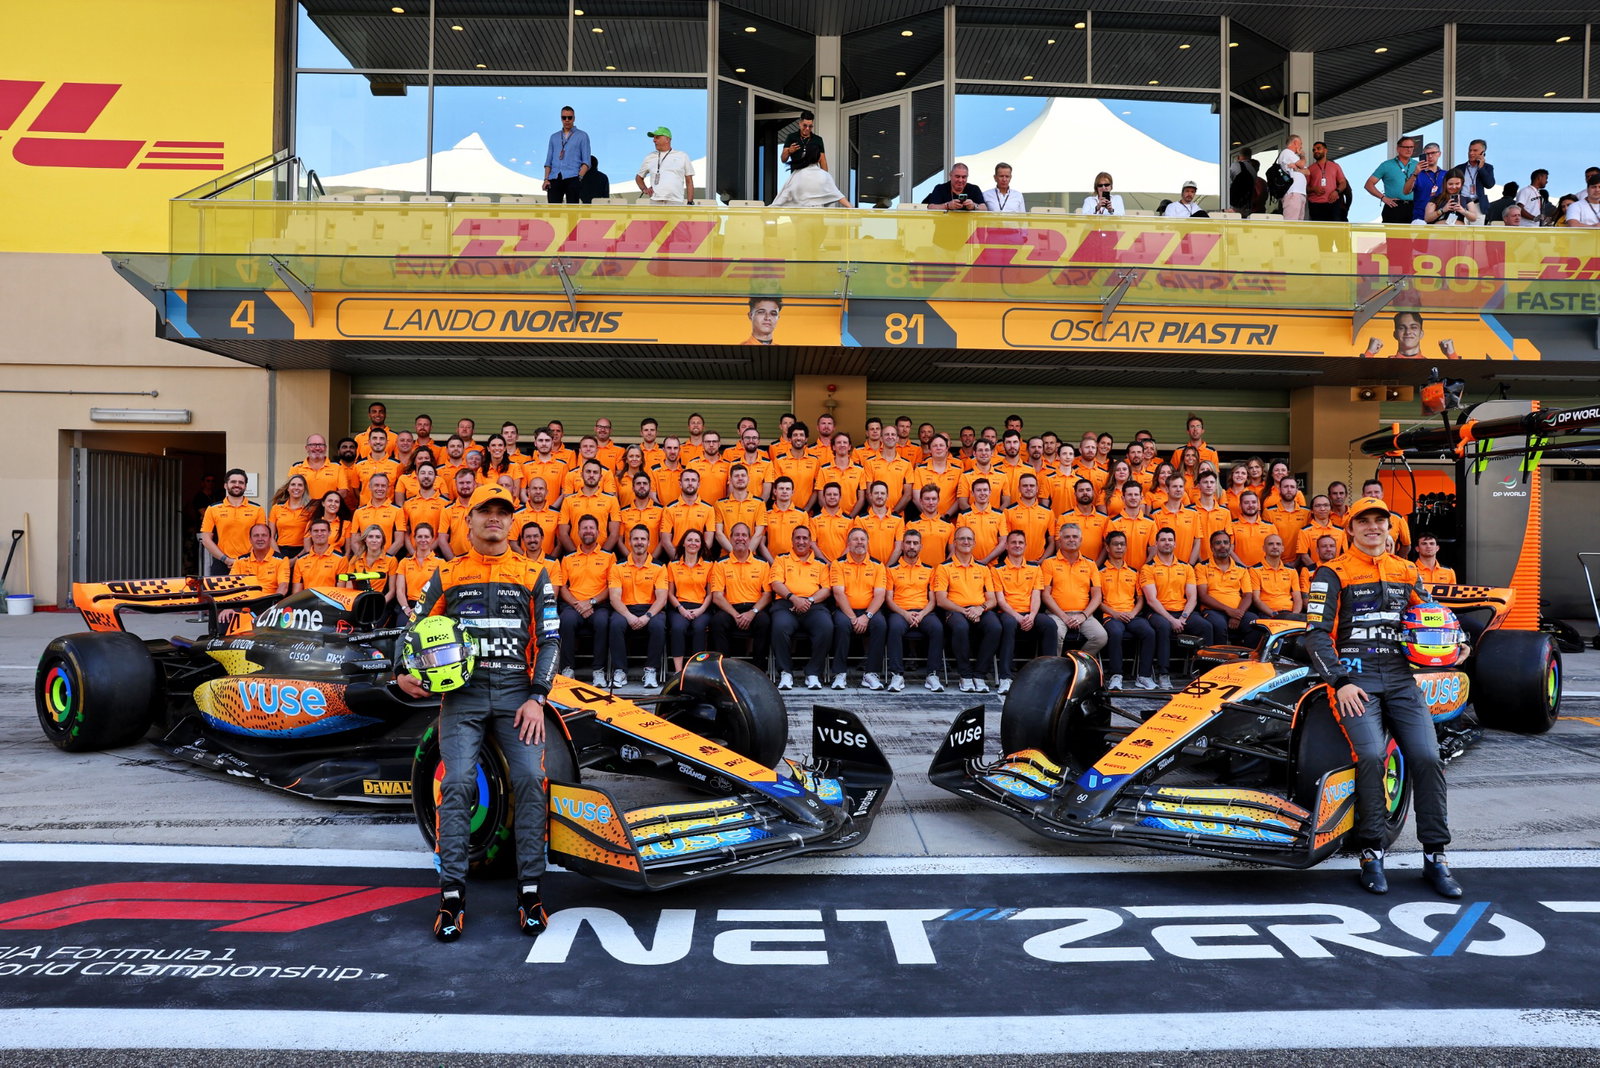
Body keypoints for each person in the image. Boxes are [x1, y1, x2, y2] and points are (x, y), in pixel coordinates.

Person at [399, 484, 560, 942]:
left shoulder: (535, 574)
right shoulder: (447, 575)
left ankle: (530, 892)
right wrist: (402, 672)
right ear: (467, 521)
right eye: (484, 511)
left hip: (517, 695)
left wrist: (538, 696)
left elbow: (550, 640)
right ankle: (452, 896)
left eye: (502, 512)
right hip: (463, 695)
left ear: (513, 523)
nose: (494, 518)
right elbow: (413, 632)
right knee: (455, 783)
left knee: (531, 779)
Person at [1301, 496, 1460, 898]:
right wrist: (1339, 682)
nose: (1373, 527)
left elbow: (1432, 619)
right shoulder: (1331, 572)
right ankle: (1371, 851)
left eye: (1380, 521)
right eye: (1364, 521)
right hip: (1355, 681)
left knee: (1427, 756)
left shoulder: (1407, 570)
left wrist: (1457, 645)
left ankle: (1436, 857)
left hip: (1403, 680)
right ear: (1350, 529)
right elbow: (1316, 634)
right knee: (1371, 756)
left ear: (1390, 528)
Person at [1139, 526, 1211, 688]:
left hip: (1182, 612)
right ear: (1156, 543)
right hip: (1158, 612)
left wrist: (1183, 617)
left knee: (1205, 626)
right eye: (1163, 540)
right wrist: (1172, 620)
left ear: (1175, 544)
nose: (1167, 543)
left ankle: (1206, 672)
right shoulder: (1148, 568)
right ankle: (1164, 674)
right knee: (1164, 627)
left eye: (1170, 540)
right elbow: (1151, 600)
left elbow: (1192, 597)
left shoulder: (1185, 567)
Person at [934, 525, 1001, 693]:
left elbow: (992, 599)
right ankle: (965, 675)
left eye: (969, 539)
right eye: (962, 538)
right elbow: (941, 600)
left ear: (974, 543)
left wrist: (979, 609)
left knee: (995, 627)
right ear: (954, 542)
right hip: (956, 610)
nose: (965, 541)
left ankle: (979, 675)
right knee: (961, 627)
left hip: (980, 610)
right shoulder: (944, 568)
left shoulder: (984, 568)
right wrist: (966, 612)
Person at [769, 525, 833, 690]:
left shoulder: (820, 563)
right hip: (786, 604)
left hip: (814, 605)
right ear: (792, 541)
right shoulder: (781, 559)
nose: (801, 541)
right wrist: (794, 598)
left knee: (826, 627)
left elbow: (826, 589)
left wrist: (809, 601)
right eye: (797, 538)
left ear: (810, 542)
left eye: (805, 538)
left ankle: (813, 673)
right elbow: (776, 583)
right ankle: (786, 673)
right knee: (779, 627)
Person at [558, 514, 616, 687]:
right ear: (578, 531)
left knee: (602, 622)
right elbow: (562, 587)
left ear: (598, 532)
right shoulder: (568, 558)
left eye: (591, 528)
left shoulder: (608, 557)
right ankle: (567, 669)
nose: (588, 531)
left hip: (598, 605)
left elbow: (611, 587)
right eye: (584, 528)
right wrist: (578, 604)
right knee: (566, 620)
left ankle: (598, 671)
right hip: (573, 605)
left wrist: (590, 602)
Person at [607, 524, 668, 690]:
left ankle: (651, 670)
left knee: (657, 625)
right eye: (635, 539)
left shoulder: (659, 567)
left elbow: (662, 599)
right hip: (625, 610)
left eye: (643, 539)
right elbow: (614, 598)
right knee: (615, 623)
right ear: (629, 542)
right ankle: (620, 671)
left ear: (649, 542)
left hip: (650, 610)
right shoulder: (617, 567)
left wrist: (647, 616)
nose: (639, 542)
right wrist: (629, 616)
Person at [991, 530, 1052, 694]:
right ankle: (1005, 677)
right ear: (1006, 546)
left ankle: (1050, 677)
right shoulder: (997, 569)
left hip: (1029, 612)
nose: (1017, 545)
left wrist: (1031, 616)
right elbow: (1000, 600)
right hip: (1008, 613)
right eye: (1013, 542)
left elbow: (1036, 596)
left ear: (1025, 546)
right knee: (1009, 625)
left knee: (1050, 625)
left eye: (1020, 542)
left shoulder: (1034, 568)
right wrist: (1018, 617)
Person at [885, 528, 945, 692]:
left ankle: (932, 675)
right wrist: (905, 614)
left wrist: (921, 614)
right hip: (900, 611)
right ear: (902, 546)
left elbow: (933, 600)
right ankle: (897, 675)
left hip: (924, 611)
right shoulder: (891, 570)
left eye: (915, 543)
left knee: (937, 628)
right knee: (895, 628)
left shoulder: (929, 570)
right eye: (908, 543)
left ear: (921, 546)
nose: (912, 546)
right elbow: (888, 599)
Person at [830, 528, 888, 690]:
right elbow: (838, 593)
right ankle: (839, 674)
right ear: (848, 544)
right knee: (841, 625)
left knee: (880, 625)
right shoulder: (838, 563)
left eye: (862, 539)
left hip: (869, 611)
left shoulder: (877, 565)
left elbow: (880, 595)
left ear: (868, 543)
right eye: (855, 539)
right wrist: (852, 618)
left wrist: (867, 616)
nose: (859, 542)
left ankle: (871, 674)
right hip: (845, 610)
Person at [709, 522, 773, 664]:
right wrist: (736, 615)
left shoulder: (762, 564)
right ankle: (724, 667)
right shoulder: (720, 564)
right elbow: (717, 597)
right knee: (717, 621)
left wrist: (752, 612)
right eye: (736, 535)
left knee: (764, 621)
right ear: (730, 539)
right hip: (730, 609)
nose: (740, 538)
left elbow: (767, 595)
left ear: (750, 540)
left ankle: (759, 669)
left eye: (744, 535)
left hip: (755, 609)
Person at [1041, 521, 1107, 658]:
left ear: (1081, 540)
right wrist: (1064, 617)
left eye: (1075, 537)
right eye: (1067, 537)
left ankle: (1076, 663)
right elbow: (1045, 595)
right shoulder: (1049, 563)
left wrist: (1083, 616)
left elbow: (1097, 596)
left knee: (1101, 636)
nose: (1071, 540)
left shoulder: (1090, 564)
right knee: (1056, 634)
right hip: (1056, 614)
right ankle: (1056, 670)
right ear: (1060, 540)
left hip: (1084, 614)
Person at [1098, 530, 1154, 690]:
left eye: (1122, 544)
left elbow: (1141, 599)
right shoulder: (1100, 572)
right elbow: (1097, 600)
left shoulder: (1134, 572)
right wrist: (1114, 613)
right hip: (1111, 615)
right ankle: (1117, 676)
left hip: (1131, 614)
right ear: (1107, 548)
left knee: (1149, 632)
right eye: (1115, 544)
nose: (1119, 547)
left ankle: (1143, 676)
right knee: (1115, 633)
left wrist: (1133, 613)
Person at [770, 112, 851, 208]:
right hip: (798, 176)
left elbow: (822, 160)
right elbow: (783, 159)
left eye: (810, 126)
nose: (807, 129)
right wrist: (789, 151)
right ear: (799, 124)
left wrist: (824, 179)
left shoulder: (817, 139)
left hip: (811, 177)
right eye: (805, 126)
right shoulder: (791, 137)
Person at [200, 469, 269, 577]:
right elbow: (205, 538)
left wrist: (244, 560)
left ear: (245, 486)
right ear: (225, 485)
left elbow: (262, 538)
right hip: (222, 562)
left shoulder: (257, 509)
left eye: (241, 482)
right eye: (233, 482)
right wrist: (226, 559)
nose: (237, 485)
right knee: (220, 594)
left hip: (250, 563)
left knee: (251, 594)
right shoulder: (213, 509)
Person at [665, 528, 714, 673]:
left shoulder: (709, 566)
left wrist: (700, 610)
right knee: (678, 628)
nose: (693, 543)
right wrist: (681, 609)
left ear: (701, 545)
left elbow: (711, 594)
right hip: (679, 607)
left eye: (697, 540)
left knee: (699, 628)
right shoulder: (672, 565)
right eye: (690, 540)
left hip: (701, 607)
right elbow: (669, 593)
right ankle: (679, 672)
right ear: (683, 544)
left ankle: (697, 670)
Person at [1195, 530, 1256, 643]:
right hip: (1213, 610)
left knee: (1254, 622)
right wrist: (1229, 610)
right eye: (1218, 543)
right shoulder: (1201, 567)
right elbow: (1203, 596)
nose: (1222, 545)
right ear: (1211, 547)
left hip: (1238, 611)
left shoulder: (1241, 569)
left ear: (1230, 546)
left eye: (1225, 542)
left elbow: (1248, 595)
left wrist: (1237, 614)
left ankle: (1248, 659)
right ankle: (1220, 659)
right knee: (1219, 625)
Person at [542, 105, 591, 205]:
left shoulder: (582, 136)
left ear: (574, 118)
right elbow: (548, 161)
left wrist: (579, 178)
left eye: (570, 117)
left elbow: (586, 161)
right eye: (564, 117)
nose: (567, 120)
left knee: (572, 213)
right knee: (553, 212)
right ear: (561, 118)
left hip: (573, 177)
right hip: (555, 177)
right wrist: (546, 179)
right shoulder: (554, 137)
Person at [394, 521, 443, 622]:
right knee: (401, 629)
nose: (423, 540)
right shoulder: (404, 562)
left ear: (432, 538)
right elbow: (400, 590)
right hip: (410, 606)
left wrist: (424, 610)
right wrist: (406, 608)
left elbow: (442, 592)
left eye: (426, 536)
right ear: (414, 538)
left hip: (432, 606)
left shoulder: (440, 562)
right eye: (420, 536)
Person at [1365, 135, 1419, 224]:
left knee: (1414, 237)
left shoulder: (1418, 165)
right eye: (1406, 147)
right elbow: (1368, 185)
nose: (1409, 150)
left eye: (1411, 147)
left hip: (1414, 206)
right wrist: (1383, 198)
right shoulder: (1386, 165)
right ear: (1398, 148)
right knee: (1393, 237)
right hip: (1394, 206)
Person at [635, 127, 695, 206]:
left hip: (676, 201)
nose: (654, 140)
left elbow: (689, 180)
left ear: (667, 139)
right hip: (655, 201)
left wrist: (690, 202)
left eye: (657, 137)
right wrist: (644, 189)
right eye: (653, 138)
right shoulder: (650, 157)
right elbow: (639, 177)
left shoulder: (682, 156)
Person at [1250, 533, 1303, 620]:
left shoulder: (1292, 571)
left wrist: (1295, 615)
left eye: (1278, 544)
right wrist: (1274, 614)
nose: (1275, 547)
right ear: (1264, 548)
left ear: (1282, 548)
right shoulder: (1255, 570)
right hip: (1268, 614)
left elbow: (1298, 598)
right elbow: (1256, 600)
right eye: (1271, 544)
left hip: (1290, 613)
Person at [291, 517, 344, 592]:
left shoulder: (340, 559)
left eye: (323, 531)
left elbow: (341, 591)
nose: (319, 534)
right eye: (316, 531)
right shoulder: (300, 561)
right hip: (308, 602)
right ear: (310, 533)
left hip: (330, 602)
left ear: (329, 533)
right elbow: (296, 593)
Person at [269, 474, 314, 557]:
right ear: (288, 488)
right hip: (280, 551)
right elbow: (270, 537)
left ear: (304, 489)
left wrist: (296, 559)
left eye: (300, 485)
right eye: (293, 484)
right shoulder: (276, 508)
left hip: (302, 552)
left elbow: (311, 539)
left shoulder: (310, 510)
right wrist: (279, 557)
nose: (296, 488)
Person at [1448, 138, 1495, 214]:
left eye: (1475, 150)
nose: (1471, 153)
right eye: (1470, 150)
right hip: (1461, 204)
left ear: (1482, 153)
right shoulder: (1459, 168)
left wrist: (1481, 168)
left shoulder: (1487, 168)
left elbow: (1489, 184)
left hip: (1478, 205)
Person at [1306, 141, 1349, 222]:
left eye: (1318, 148)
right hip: (1315, 205)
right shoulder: (1310, 169)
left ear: (1325, 150)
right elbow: (1305, 188)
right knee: (1318, 232)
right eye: (1313, 150)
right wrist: (1314, 189)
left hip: (1333, 203)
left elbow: (1343, 183)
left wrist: (1336, 191)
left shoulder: (1335, 166)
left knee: (1334, 231)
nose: (1315, 151)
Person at [1405, 143, 1444, 222]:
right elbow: (1406, 191)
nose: (1430, 156)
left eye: (1433, 153)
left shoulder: (1445, 174)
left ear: (1439, 154)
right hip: (1420, 218)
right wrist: (1415, 173)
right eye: (1427, 154)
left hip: (1441, 218)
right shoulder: (1417, 174)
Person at [1276, 136, 1309, 221]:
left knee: (1298, 225)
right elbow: (1302, 165)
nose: (1301, 146)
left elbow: (1308, 172)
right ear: (1295, 142)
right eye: (1300, 143)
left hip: (1299, 193)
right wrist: (1302, 156)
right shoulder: (1287, 152)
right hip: (1293, 193)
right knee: (1291, 223)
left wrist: (1297, 169)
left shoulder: (1294, 157)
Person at [1228, 149, 1260, 216]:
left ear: (1238, 157)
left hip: (1234, 204)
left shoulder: (1235, 165)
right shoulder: (1252, 170)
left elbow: (1227, 182)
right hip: (1247, 204)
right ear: (1250, 157)